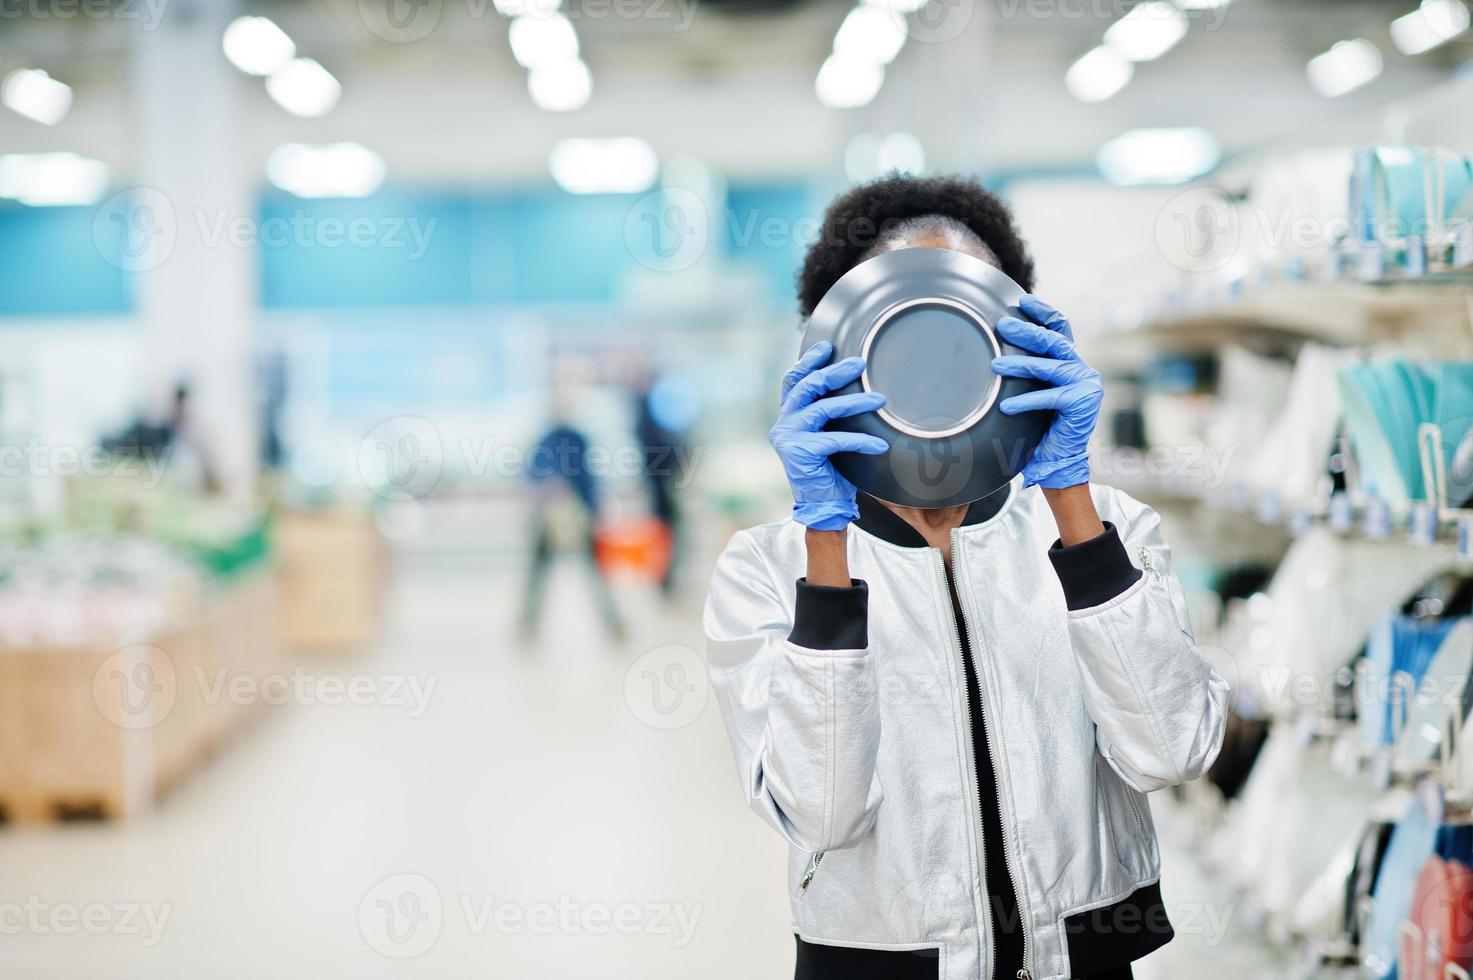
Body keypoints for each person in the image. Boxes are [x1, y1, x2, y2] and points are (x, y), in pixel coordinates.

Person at [703, 174, 1229, 980]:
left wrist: (1068, 497)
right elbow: (822, 811)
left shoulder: (1110, 527)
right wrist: (825, 536)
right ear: (838, 343)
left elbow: (1170, 750)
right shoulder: (767, 569)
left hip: (1083, 960)